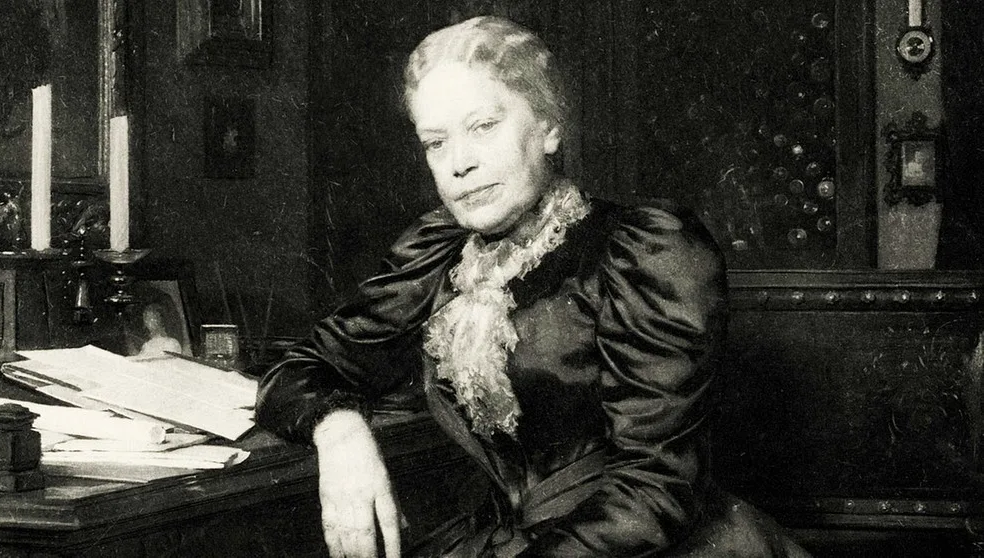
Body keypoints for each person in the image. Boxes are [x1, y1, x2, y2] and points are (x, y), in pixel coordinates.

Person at [256, 16, 809, 558]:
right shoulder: (437, 254)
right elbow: (299, 367)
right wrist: (340, 431)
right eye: (436, 142)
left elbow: (655, 488)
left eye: (483, 126)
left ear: (548, 128)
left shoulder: (641, 250)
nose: (459, 164)